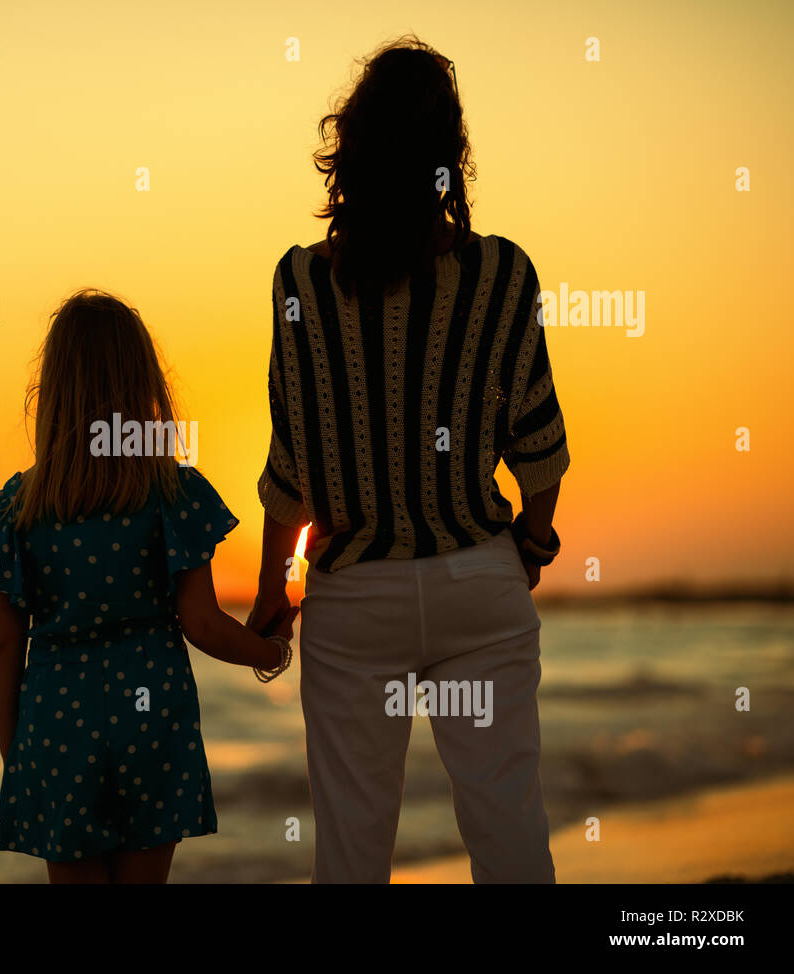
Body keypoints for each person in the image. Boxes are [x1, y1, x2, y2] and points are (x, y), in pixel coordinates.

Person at [246, 37, 570, 883]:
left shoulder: (301, 284)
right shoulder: (502, 274)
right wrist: (531, 546)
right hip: (479, 584)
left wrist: (273, 591)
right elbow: (538, 447)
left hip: (355, 601)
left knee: (351, 855)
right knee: (509, 837)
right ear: (449, 158)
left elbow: (293, 463)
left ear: (348, 151)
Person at [0, 289, 295, 884]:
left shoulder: (17, 509)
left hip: (56, 724)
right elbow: (202, 623)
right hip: (152, 716)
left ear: (52, 391)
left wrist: (17, 755)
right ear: (142, 385)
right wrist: (272, 651)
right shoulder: (170, 493)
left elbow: (5, 645)